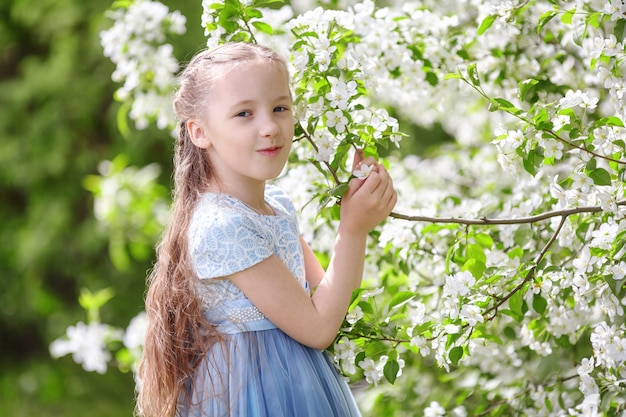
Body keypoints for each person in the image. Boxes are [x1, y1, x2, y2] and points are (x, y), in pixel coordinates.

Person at [136, 42, 397, 417]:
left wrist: (357, 202)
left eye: (280, 108)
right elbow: (319, 328)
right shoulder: (223, 225)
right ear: (199, 132)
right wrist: (353, 230)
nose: (270, 127)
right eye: (244, 113)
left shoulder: (276, 205)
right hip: (254, 398)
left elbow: (327, 299)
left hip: (300, 387)